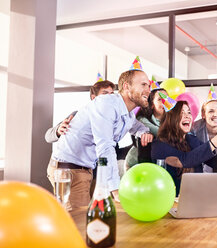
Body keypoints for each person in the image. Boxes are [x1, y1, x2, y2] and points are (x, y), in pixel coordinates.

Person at [49, 56, 153, 209]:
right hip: (69, 170)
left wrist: (143, 131)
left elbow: (135, 126)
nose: (148, 90)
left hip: (85, 169)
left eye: (149, 86)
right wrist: (115, 189)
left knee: (90, 218)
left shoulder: (128, 114)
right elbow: (105, 147)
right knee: (78, 222)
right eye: (143, 84)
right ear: (126, 87)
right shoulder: (106, 104)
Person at [151, 94, 217, 196]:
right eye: (181, 113)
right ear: (171, 119)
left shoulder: (191, 140)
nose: (188, 115)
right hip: (169, 201)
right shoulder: (159, 145)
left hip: (196, 198)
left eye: (189, 112)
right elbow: (186, 160)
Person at [44, 80, 115, 143]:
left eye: (111, 94)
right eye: (105, 93)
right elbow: (48, 137)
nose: (109, 97)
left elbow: (115, 152)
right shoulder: (77, 115)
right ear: (93, 98)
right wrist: (58, 131)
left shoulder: (112, 120)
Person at [125, 78, 167, 171]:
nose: (164, 102)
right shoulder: (142, 120)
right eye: (160, 99)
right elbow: (162, 134)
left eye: (166, 99)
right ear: (151, 104)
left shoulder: (169, 121)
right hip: (136, 164)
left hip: (158, 163)